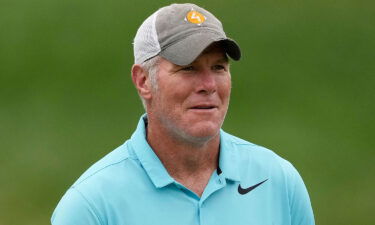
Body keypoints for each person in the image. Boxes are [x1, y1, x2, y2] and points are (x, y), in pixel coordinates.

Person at [51, 3, 315, 225]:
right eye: (188, 68)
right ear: (143, 81)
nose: (209, 85)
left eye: (219, 67)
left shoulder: (277, 180)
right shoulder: (90, 206)